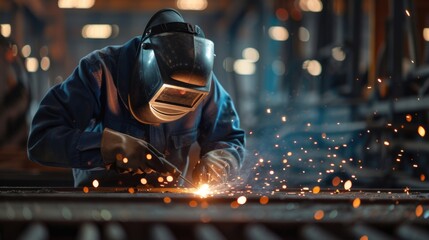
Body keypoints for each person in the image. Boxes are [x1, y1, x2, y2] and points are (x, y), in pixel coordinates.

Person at [27, 8, 246, 188]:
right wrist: (106, 147)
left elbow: (229, 138)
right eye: (170, 93)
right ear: (144, 69)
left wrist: (221, 161)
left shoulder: (202, 83)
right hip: (98, 202)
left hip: (169, 204)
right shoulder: (99, 72)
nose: (177, 100)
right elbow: (41, 140)